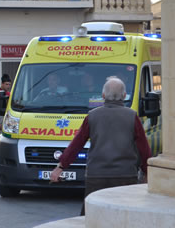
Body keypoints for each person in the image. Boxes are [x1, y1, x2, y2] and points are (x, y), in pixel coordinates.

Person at [50, 77, 151, 215]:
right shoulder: (132, 116)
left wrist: (60, 167)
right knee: (123, 216)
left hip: (96, 176)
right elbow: (144, 148)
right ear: (123, 95)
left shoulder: (92, 116)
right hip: (125, 176)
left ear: (103, 96)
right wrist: (147, 172)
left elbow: (76, 144)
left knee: (91, 216)